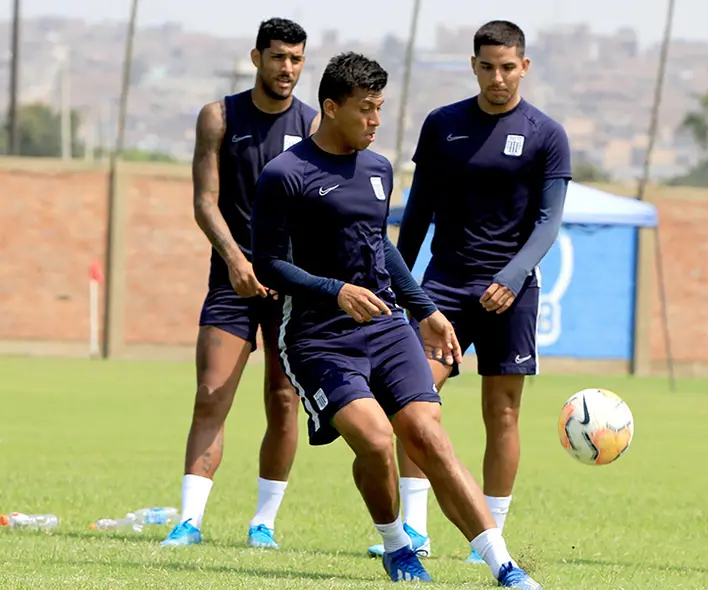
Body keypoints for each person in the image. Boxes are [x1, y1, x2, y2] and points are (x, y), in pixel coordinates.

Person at [250, 51, 543, 589]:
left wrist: (425, 310)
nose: (375, 121)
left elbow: (380, 249)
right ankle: (396, 546)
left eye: (380, 108)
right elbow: (266, 262)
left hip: (386, 327)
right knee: (378, 441)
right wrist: (333, 291)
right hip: (317, 338)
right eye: (365, 110)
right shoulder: (284, 174)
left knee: (429, 435)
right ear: (332, 107)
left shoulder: (379, 169)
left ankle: (504, 564)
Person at [366, 19, 571, 565]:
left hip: (512, 292)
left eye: (508, 67)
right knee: (411, 404)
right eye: (487, 67)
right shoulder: (443, 125)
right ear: (473, 65)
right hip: (445, 290)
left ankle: (491, 540)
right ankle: (415, 527)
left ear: (524, 66)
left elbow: (549, 222)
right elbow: (418, 212)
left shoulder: (547, 134)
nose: (497, 78)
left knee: (501, 413)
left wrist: (511, 277)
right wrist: (398, 283)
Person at [161, 17, 320, 549]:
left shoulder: (316, 124)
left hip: (289, 284)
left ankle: (263, 524)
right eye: (278, 57)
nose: (288, 68)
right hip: (231, 277)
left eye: (296, 59)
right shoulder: (219, 117)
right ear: (257, 58)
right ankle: (189, 521)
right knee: (211, 393)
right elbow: (205, 200)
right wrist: (233, 258)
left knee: (282, 399)